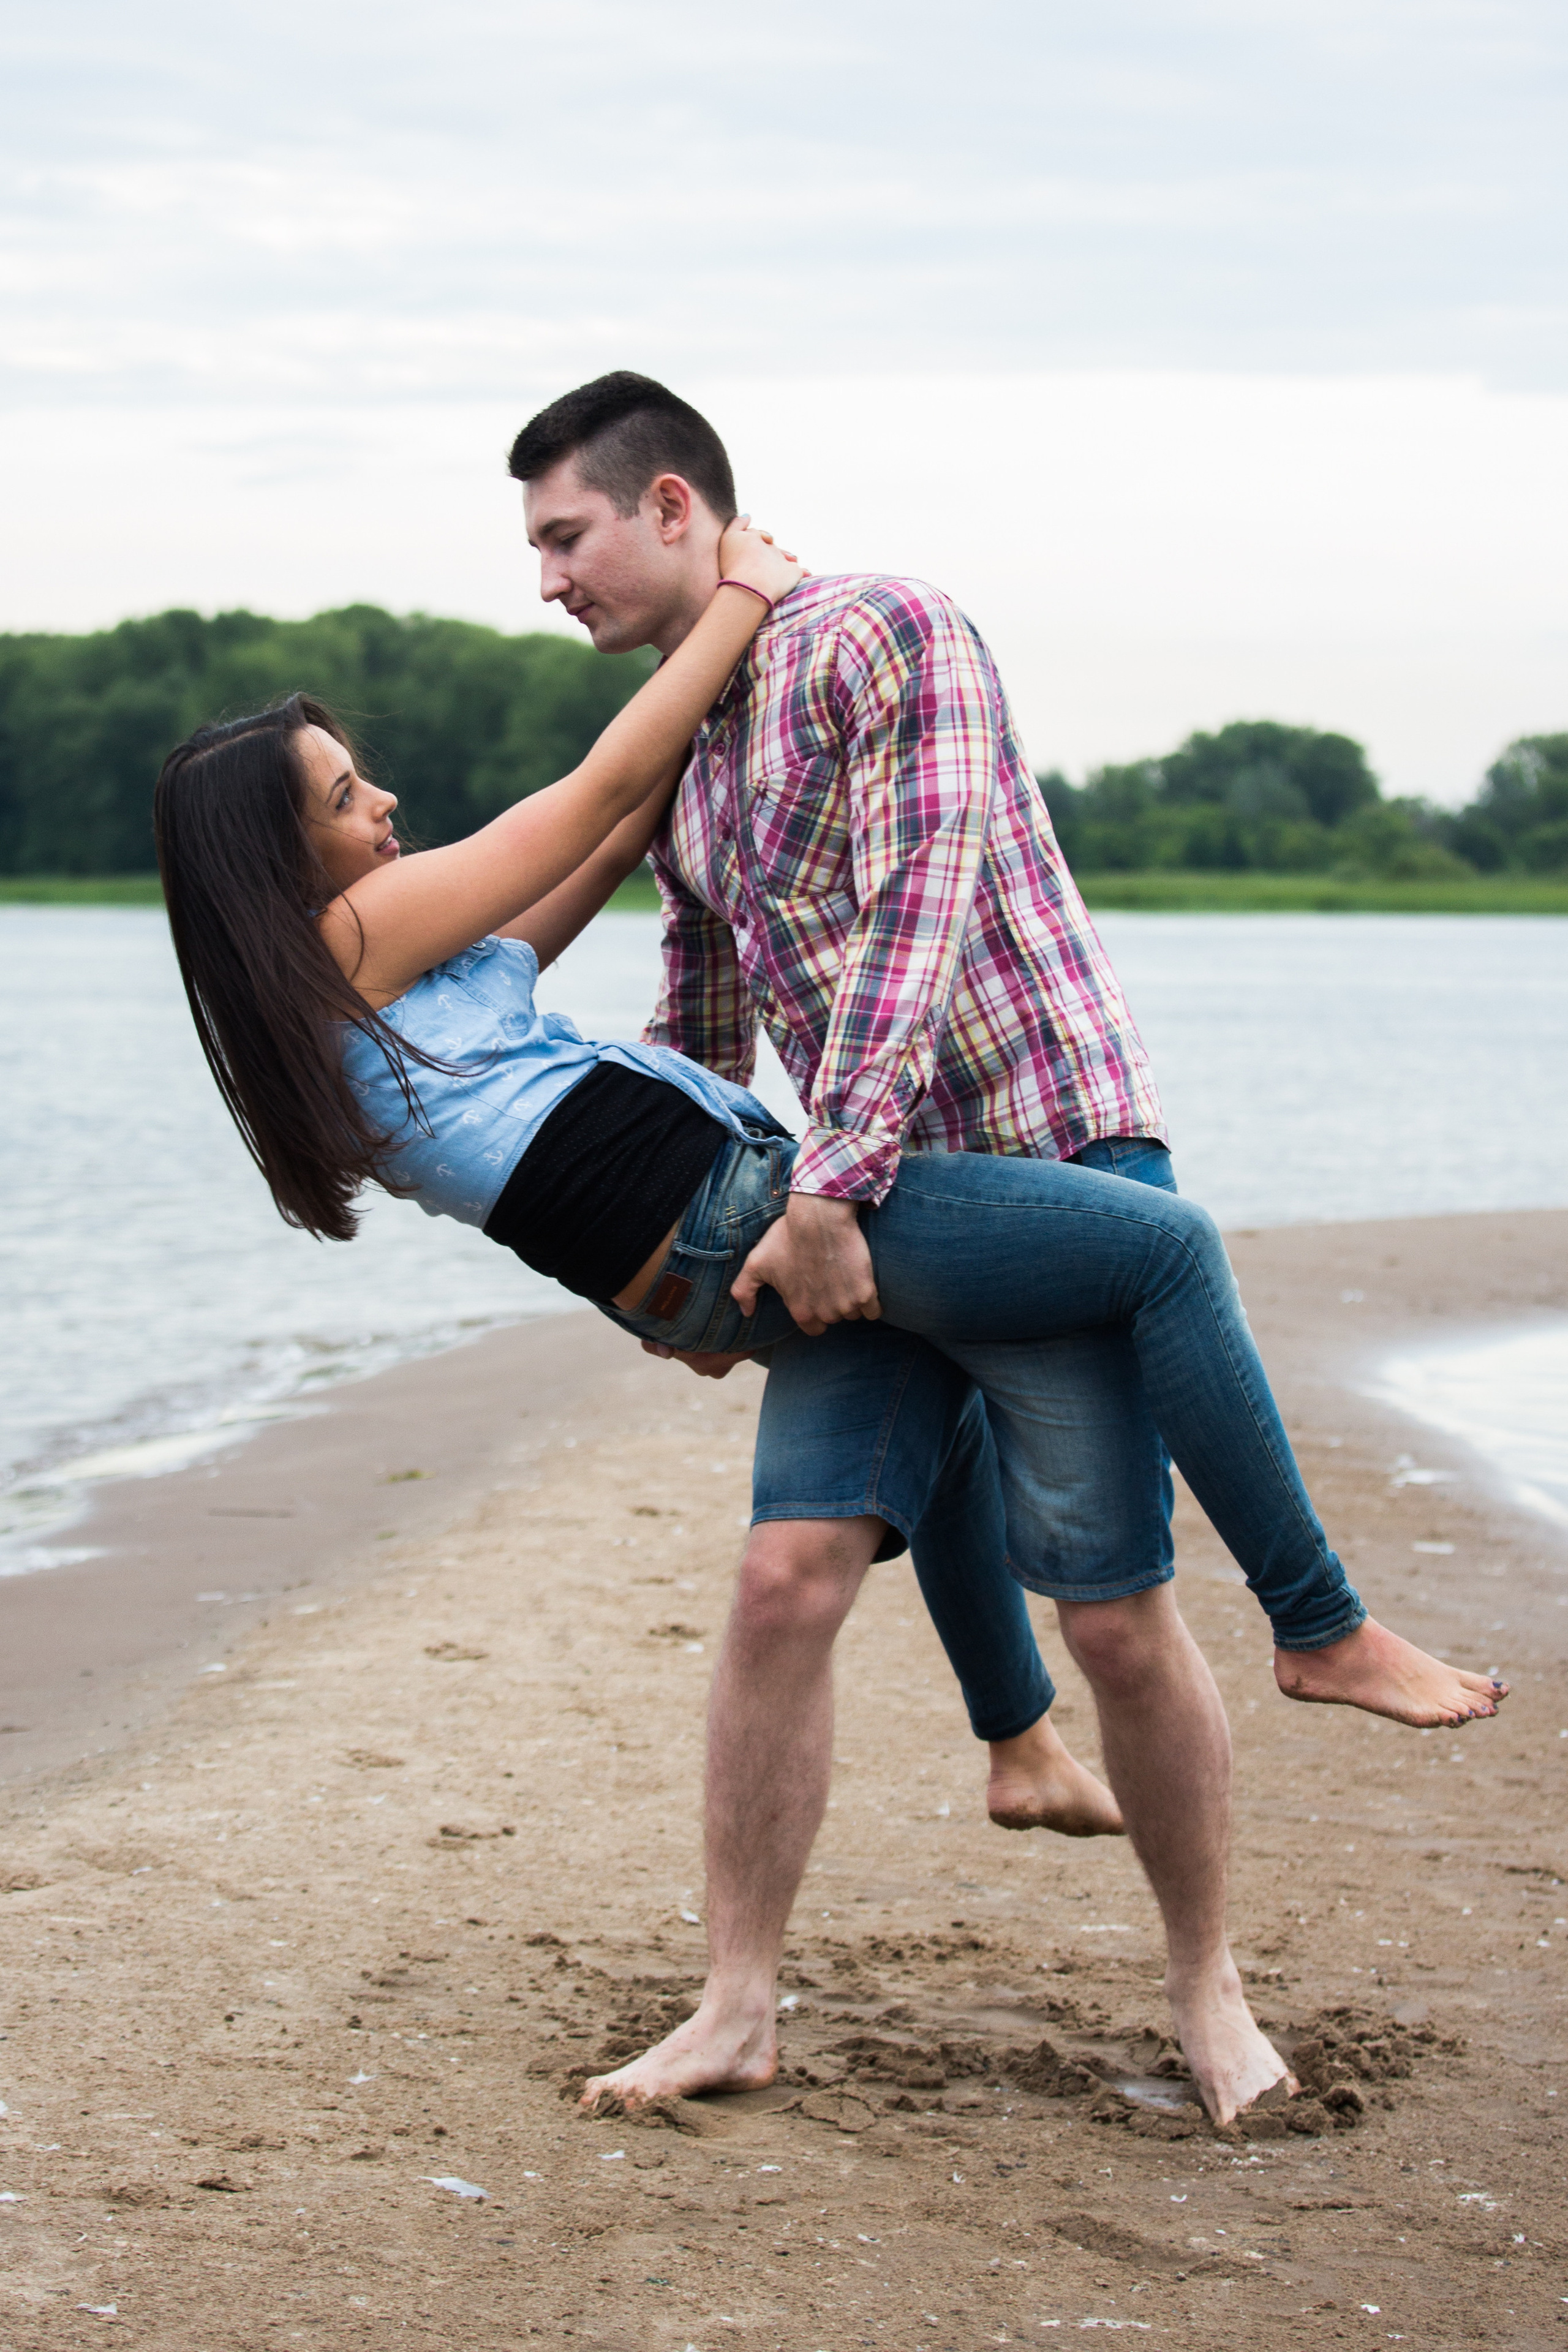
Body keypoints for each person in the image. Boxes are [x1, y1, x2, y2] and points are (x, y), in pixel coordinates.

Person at [154, 527, 1501, 2128]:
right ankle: (1319, 1622)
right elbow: (581, 801)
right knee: (1165, 1257)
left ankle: (999, 1764)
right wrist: (737, 597)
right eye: (346, 798)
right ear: (276, 865)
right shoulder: (342, 956)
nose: (384, 806)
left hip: (723, 1243)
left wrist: (705, 711)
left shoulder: (415, 978)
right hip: (754, 1223)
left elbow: (617, 837)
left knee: (823, 1545)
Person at [499, 372, 1506, 2125]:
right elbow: (704, 1013)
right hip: (853, 1212)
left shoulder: (888, 628)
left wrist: (832, 1179)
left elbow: (925, 901)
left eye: (563, 537)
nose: (547, 580)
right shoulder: (690, 747)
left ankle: (1210, 1997)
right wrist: (685, 1246)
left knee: (1114, 1618)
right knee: (779, 1580)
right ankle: (737, 2002)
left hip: (1040, 1165)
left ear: (674, 507)